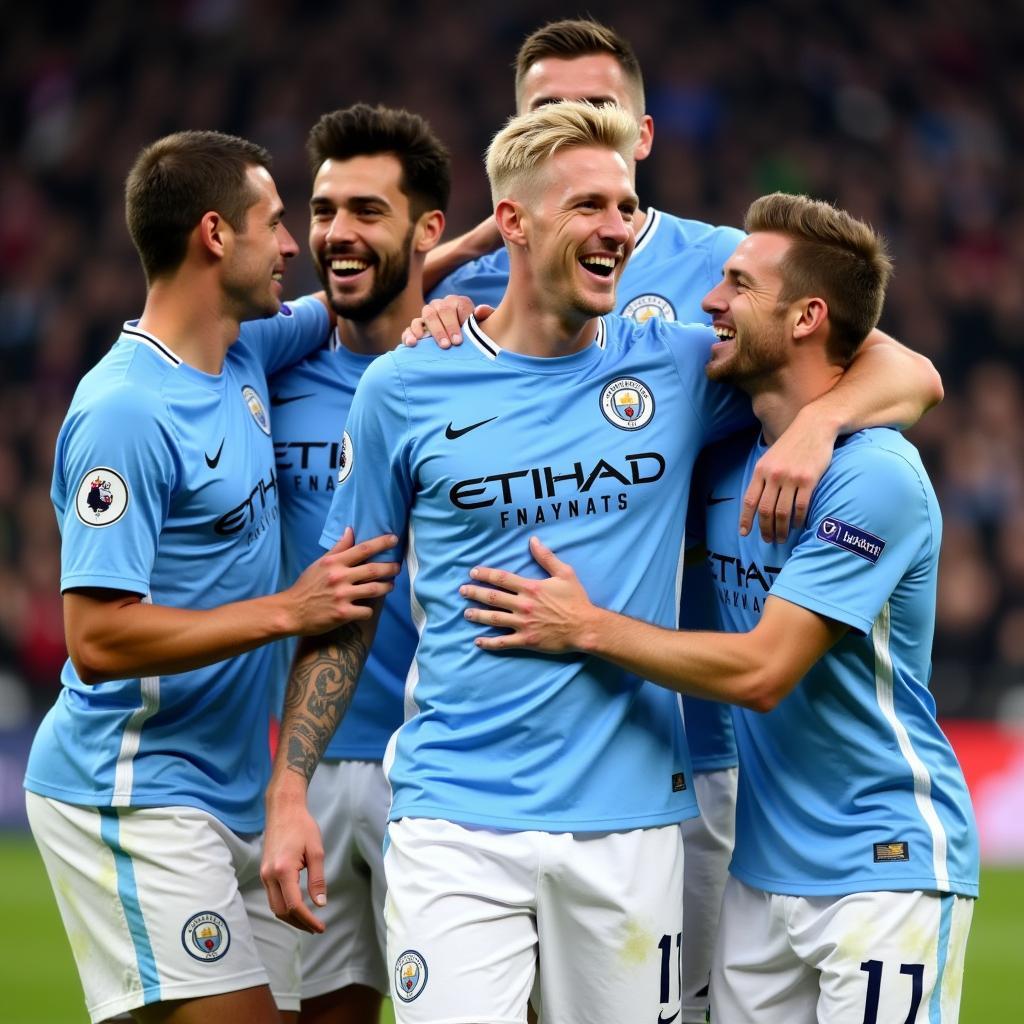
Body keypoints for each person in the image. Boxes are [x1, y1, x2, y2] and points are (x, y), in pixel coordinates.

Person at [262, 103, 939, 1024]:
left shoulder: (676, 367)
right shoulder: (406, 386)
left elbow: (893, 362)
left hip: (633, 829)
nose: (620, 229)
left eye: (626, 206)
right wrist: (292, 791)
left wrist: (819, 424)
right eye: (590, 205)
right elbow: (348, 601)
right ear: (513, 222)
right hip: (455, 819)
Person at [459, 192, 978, 1024]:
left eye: (737, 284)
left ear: (808, 317)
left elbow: (767, 670)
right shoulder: (730, 445)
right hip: (759, 871)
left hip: (881, 864)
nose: (710, 299)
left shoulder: (874, 476)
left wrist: (585, 626)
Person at [23, 130, 398, 1024]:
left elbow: (360, 307)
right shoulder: (125, 412)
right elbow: (99, 638)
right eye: (275, 224)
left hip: (230, 787)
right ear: (214, 236)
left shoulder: (244, 353)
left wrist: (447, 281)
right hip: (133, 786)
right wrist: (287, 611)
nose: (293, 246)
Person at [268, 103, 449, 1024]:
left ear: (427, 231)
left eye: (366, 211)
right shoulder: (266, 369)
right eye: (323, 208)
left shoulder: (476, 366)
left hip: (444, 770)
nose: (336, 232)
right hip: (308, 762)